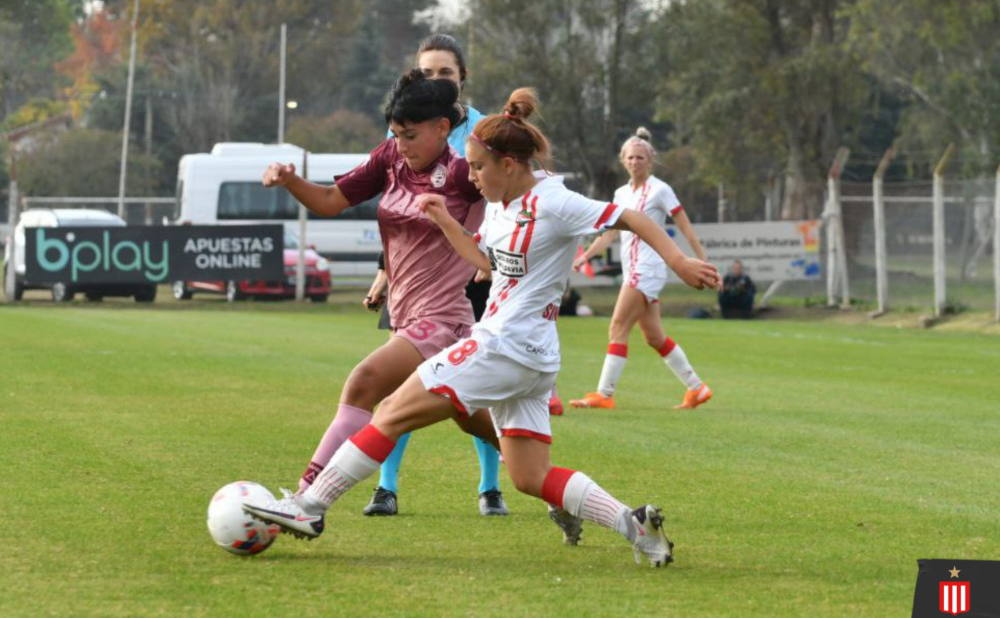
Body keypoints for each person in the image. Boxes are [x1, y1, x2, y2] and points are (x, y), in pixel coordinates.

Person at [244, 89, 721, 567]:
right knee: (530, 476)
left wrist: (679, 259)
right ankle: (635, 526)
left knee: (389, 410)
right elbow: (485, 261)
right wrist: (445, 219)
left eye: (476, 167)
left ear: (509, 163)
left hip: (504, 346)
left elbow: (631, 217)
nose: (469, 176)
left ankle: (309, 508)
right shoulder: (500, 202)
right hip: (531, 357)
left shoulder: (554, 200)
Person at [264, 68, 508, 519]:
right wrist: (290, 181)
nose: (401, 144)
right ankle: (550, 478)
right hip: (407, 317)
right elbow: (331, 201)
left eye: (410, 135)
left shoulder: (459, 175)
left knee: (363, 383)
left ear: (443, 128)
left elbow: (511, 199)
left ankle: (305, 500)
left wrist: (497, 260)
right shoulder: (389, 160)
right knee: (481, 424)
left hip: (444, 322)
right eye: (395, 134)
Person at [359, 33, 507, 518]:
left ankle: (491, 487)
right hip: (414, 280)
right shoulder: (400, 132)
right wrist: (383, 272)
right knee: (399, 384)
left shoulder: (486, 129)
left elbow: (508, 195)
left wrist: (493, 258)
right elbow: (396, 207)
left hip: (475, 275)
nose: (436, 80)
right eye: (427, 73)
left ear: (462, 79)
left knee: (474, 388)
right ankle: (386, 486)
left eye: (445, 72)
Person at [569, 128, 714, 411]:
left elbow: (684, 225)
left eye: (640, 157)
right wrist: (586, 255)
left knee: (617, 326)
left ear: (650, 160)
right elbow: (610, 233)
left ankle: (604, 393)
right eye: (631, 157)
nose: (635, 161)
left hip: (647, 269)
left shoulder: (660, 189)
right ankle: (697, 388)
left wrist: (700, 258)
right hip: (634, 268)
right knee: (654, 337)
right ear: (623, 160)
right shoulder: (621, 193)